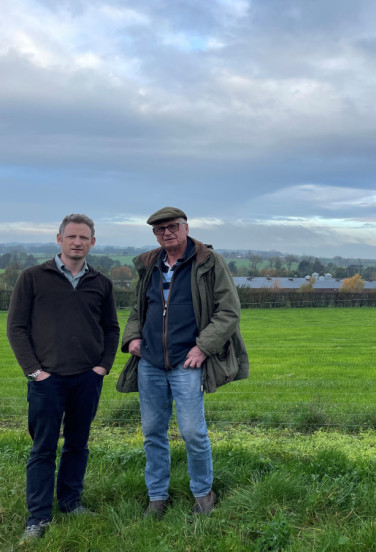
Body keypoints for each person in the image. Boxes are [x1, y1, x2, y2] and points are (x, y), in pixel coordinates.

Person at [116, 206, 248, 518]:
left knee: (192, 432)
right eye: (159, 229)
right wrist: (132, 337)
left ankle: (204, 494)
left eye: (172, 226)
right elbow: (138, 308)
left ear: (186, 227)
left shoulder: (208, 261)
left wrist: (203, 347)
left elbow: (229, 311)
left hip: (187, 362)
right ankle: (157, 498)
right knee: (153, 433)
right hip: (149, 362)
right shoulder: (150, 264)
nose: (166, 233)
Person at [7, 214, 120, 542]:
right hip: (47, 381)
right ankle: (38, 517)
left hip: (87, 378)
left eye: (84, 237)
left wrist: (102, 367)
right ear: (59, 239)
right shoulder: (32, 278)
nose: (77, 242)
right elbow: (16, 327)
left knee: (77, 445)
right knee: (43, 448)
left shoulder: (101, 283)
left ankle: (71, 502)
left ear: (92, 243)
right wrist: (34, 372)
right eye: (71, 236)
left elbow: (111, 329)